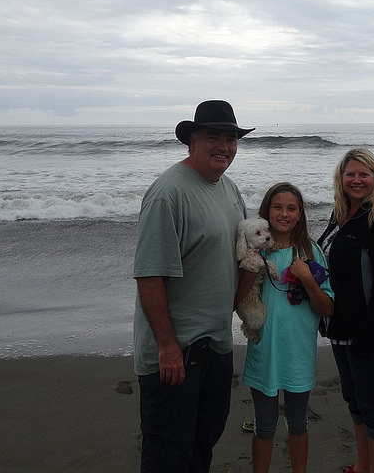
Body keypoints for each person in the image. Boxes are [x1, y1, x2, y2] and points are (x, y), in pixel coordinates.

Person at [132, 99, 254, 473]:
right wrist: (167, 346)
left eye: (231, 138)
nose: (224, 146)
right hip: (177, 355)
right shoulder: (168, 193)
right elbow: (150, 275)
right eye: (213, 137)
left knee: (203, 442)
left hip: (216, 344)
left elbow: (243, 254)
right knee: (169, 451)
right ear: (193, 142)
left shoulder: (228, 189)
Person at [316, 148, 374, 473]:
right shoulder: (339, 215)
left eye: (363, 174)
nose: (355, 179)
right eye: (349, 173)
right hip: (341, 325)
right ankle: (363, 464)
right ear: (341, 179)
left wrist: (367, 338)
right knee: (355, 401)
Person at [237, 182, 334, 473]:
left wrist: (305, 277)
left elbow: (327, 308)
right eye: (277, 207)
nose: (284, 213)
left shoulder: (310, 250)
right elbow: (237, 301)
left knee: (298, 422)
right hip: (263, 350)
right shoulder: (254, 252)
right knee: (264, 426)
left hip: (298, 353)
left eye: (291, 208)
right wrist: (250, 269)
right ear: (266, 212)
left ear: (300, 213)